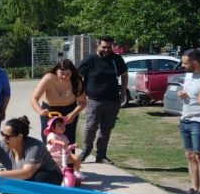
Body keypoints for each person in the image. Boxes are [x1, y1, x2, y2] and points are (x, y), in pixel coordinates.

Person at [0, 116, 63, 194]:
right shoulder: (2, 146)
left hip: (50, 176)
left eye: (7, 136)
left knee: (38, 178)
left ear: (19, 136)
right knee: (5, 183)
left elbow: (26, 173)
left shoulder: (35, 146)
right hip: (26, 179)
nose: (4, 138)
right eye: (2, 134)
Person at [78, 35, 128, 164]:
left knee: (106, 129)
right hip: (94, 100)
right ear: (98, 45)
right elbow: (78, 78)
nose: (106, 50)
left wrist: (122, 93)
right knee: (91, 127)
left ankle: (101, 155)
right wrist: (81, 94)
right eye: (104, 47)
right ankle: (86, 151)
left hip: (112, 100)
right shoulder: (89, 60)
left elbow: (124, 75)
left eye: (109, 47)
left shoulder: (116, 59)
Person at [177, 48, 200, 194]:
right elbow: (188, 94)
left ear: (195, 62)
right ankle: (194, 188)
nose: (183, 66)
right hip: (185, 118)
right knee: (189, 155)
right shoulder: (189, 75)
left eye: (185, 63)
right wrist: (182, 95)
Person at [30, 59, 86, 145]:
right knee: (48, 138)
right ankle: (49, 158)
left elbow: (82, 102)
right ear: (56, 71)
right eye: (62, 73)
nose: (64, 77)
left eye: (68, 74)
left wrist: (73, 114)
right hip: (49, 111)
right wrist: (40, 111)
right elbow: (34, 98)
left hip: (69, 111)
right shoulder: (48, 78)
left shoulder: (76, 81)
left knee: (68, 139)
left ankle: (68, 157)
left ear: (72, 73)